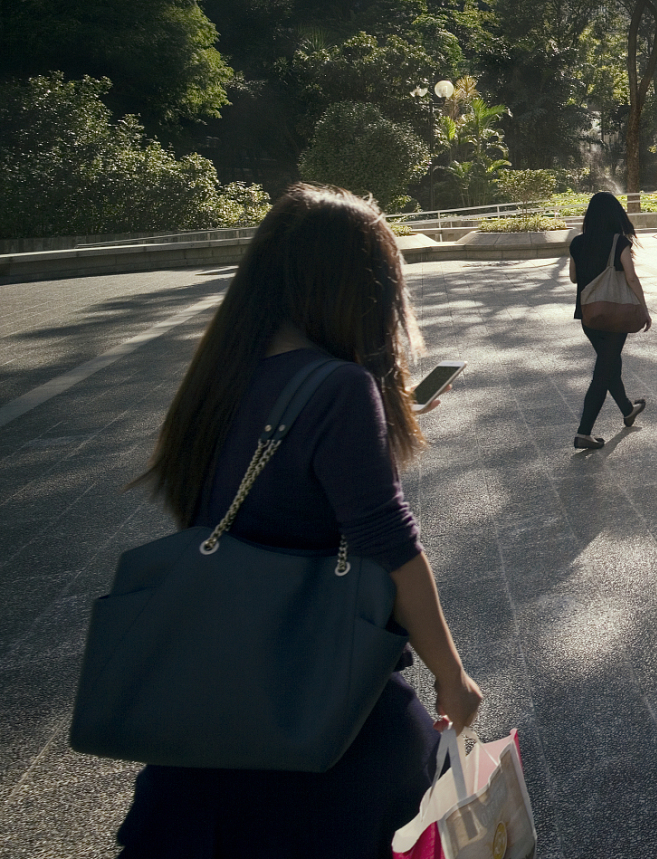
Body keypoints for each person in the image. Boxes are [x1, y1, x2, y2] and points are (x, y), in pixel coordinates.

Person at [117, 184, 482, 857]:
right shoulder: (341, 389)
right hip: (314, 699)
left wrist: (377, 428)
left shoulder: (221, 369)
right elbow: (392, 546)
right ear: (361, 290)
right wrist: (453, 678)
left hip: (214, 691)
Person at [568, 191, 651, 450]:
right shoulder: (620, 242)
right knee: (603, 371)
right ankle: (584, 432)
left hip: (589, 316)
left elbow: (573, 278)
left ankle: (627, 408)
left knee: (608, 361)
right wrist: (644, 308)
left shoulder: (577, 242)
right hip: (616, 316)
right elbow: (631, 278)